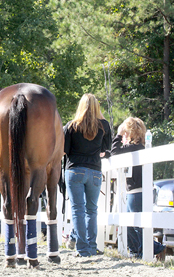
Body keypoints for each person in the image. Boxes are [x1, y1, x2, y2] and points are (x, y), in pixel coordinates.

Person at [109, 117, 166, 260]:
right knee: (132, 225)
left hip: (136, 191)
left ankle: (154, 248)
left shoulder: (133, 148)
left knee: (134, 225)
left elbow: (115, 153)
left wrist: (119, 135)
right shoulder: (139, 147)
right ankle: (139, 251)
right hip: (140, 190)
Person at [64, 93, 112, 257]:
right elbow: (107, 151)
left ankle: (82, 249)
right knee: (92, 210)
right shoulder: (103, 126)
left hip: (75, 170)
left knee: (78, 210)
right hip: (95, 172)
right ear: (97, 108)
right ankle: (92, 247)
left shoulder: (71, 126)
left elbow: (65, 151)